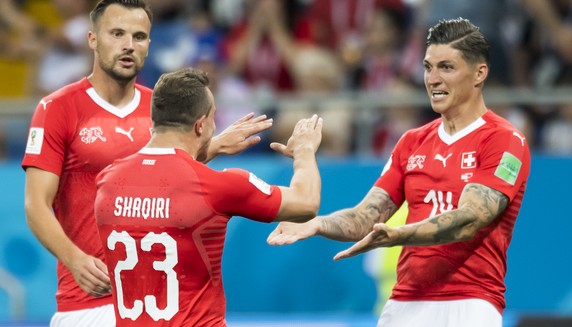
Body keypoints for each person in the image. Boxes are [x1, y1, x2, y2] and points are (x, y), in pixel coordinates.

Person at [22, 0, 272, 326]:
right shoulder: (56, 108)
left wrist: (213, 147)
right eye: (117, 34)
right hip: (88, 304)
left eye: (139, 37)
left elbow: (167, 174)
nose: (128, 45)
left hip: (158, 308)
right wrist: (74, 259)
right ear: (92, 39)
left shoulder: (160, 107)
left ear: (149, 44)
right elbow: (35, 204)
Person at [268, 18, 531, 327]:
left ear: (479, 73)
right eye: (427, 67)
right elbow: (366, 217)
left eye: (446, 67)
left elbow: (470, 219)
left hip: (470, 302)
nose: (432, 79)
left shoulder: (505, 139)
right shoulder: (411, 142)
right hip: (404, 303)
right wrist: (317, 224)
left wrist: (397, 235)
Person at [94, 67, 323, 326]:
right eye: (214, 118)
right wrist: (304, 150)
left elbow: (162, 177)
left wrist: (212, 145)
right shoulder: (217, 185)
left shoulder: (108, 180)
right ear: (201, 125)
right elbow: (306, 202)